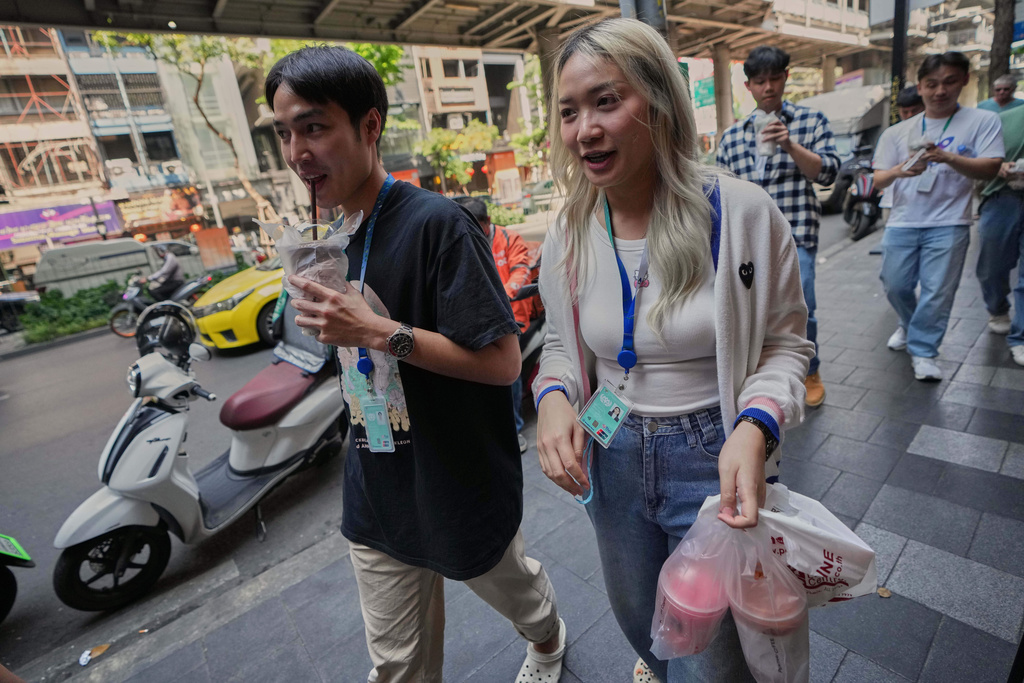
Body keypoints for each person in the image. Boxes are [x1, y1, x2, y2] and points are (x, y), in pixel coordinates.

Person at [265, 46, 566, 683]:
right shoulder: (326, 234)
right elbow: (348, 353)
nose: (297, 152)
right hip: (375, 484)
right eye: (285, 133)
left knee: (517, 594)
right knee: (397, 668)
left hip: (456, 475)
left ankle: (547, 638)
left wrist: (377, 331)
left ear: (369, 127)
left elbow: (504, 362)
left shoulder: (439, 224)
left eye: (315, 127)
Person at [534, 19, 814, 683]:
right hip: (615, 457)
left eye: (607, 101)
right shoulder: (569, 234)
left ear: (659, 103)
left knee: (712, 658)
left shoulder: (742, 213)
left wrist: (753, 426)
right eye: (569, 112)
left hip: (713, 456)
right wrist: (551, 398)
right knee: (642, 621)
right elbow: (558, 346)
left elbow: (786, 343)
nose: (585, 130)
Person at [716, 45, 839, 408]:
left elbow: (829, 172)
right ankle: (758, 373)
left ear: (786, 77)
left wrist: (789, 143)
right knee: (745, 307)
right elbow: (722, 191)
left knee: (803, 307)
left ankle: (809, 369)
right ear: (748, 86)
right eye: (759, 81)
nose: (768, 87)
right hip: (744, 243)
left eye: (774, 79)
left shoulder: (810, 121)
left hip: (797, 233)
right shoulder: (732, 136)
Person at [871, 52, 1004, 381]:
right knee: (895, 284)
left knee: (938, 291)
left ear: (964, 80)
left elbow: (990, 168)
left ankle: (924, 351)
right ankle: (910, 324)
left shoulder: (981, 121)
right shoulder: (897, 132)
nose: (940, 91)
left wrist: (946, 157)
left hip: (950, 222)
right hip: (903, 220)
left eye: (949, 82)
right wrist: (901, 171)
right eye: (932, 84)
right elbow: (877, 180)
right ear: (921, 87)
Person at [454, 196, 533, 453]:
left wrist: (502, 297)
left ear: (486, 222)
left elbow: (522, 271)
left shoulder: (510, 239)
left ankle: (516, 429)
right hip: (475, 322)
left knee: (509, 371)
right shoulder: (459, 241)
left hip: (512, 320)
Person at [976, 103, 1024, 360]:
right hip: (1001, 197)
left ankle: (1022, 337)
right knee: (991, 267)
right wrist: (999, 165)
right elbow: (976, 158)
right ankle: (997, 308)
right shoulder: (1001, 120)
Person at [880, 86, 927, 220]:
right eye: (905, 112)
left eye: (914, 111)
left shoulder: (934, 131)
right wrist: (896, 172)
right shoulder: (892, 134)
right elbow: (878, 179)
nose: (909, 116)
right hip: (894, 205)